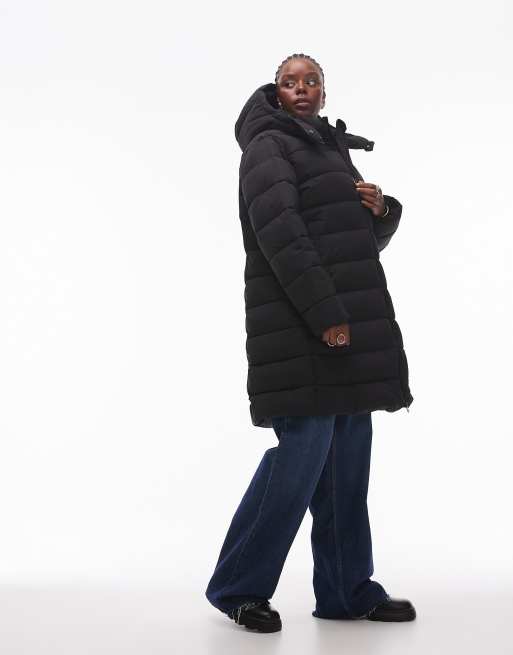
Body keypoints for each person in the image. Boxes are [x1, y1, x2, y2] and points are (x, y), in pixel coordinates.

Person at [205, 53, 416, 633]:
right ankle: (238, 588)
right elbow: (281, 236)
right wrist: (325, 315)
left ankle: (347, 590)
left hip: (346, 328)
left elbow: (348, 243)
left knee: (347, 466)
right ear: (275, 92)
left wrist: (380, 212)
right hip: (300, 329)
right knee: (299, 459)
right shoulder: (268, 146)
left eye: (311, 81)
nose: (301, 88)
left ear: (325, 91)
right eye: (289, 81)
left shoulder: (329, 147)